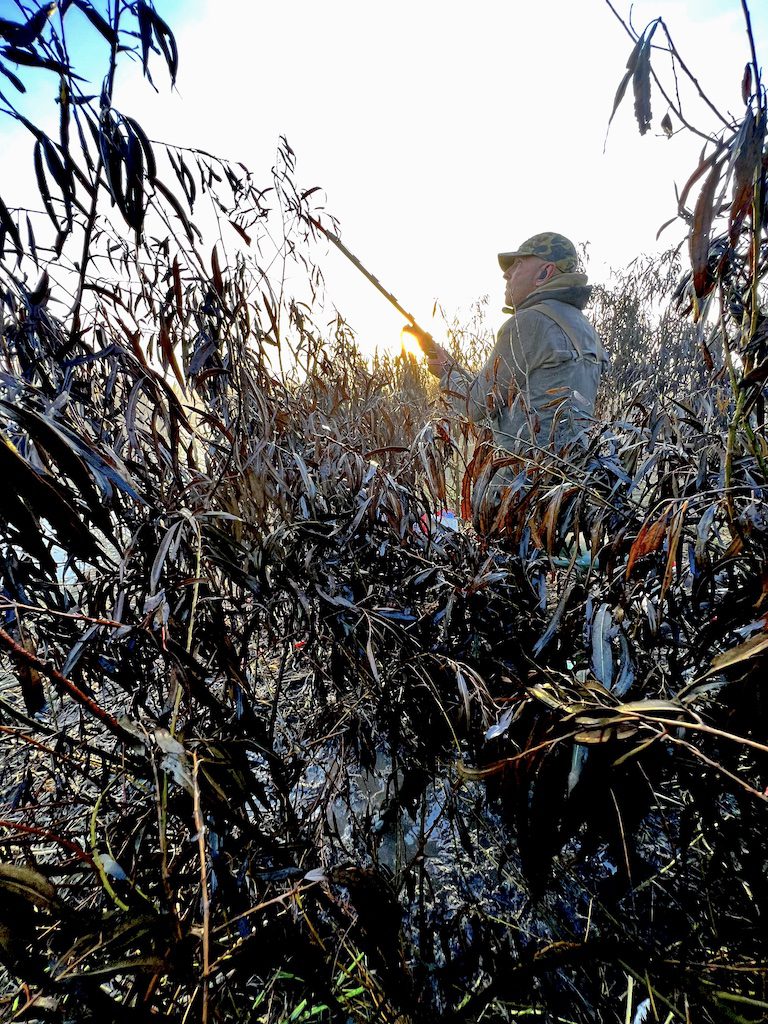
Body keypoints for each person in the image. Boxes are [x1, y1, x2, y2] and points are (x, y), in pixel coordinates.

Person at [410, 233, 608, 476]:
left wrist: (445, 373)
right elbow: (518, 391)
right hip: (570, 478)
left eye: (518, 265)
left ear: (544, 273)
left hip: (525, 481)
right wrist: (453, 368)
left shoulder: (530, 321)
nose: (507, 274)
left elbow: (476, 406)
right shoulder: (583, 327)